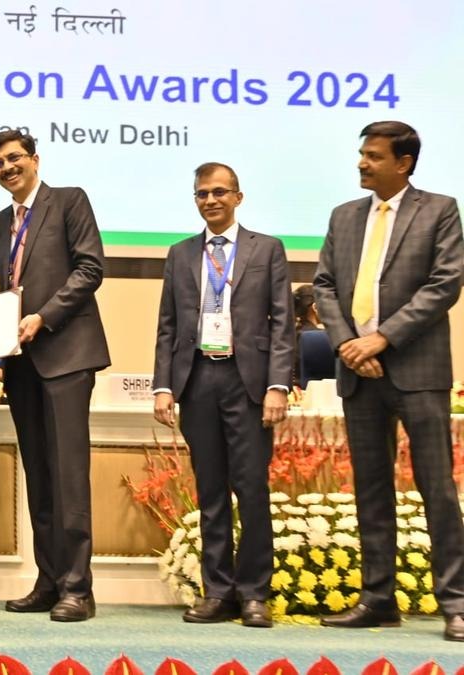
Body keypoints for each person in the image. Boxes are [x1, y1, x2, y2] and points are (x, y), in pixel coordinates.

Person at [312, 121, 464, 641]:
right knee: (370, 488)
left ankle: (456, 602)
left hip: (417, 371)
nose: (362, 163)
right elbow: (324, 286)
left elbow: (445, 284)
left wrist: (382, 339)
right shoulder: (344, 215)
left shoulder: (439, 210)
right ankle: (377, 599)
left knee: (436, 487)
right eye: (362, 154)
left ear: (403, 163)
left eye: (374, 156)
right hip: (359, 372)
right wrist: (347, 345)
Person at [152, 162, 293, 628]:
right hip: (197, 380)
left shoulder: (267, 249)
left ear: (237, 196)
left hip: (247, 382)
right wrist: (163, 385)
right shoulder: (180, 254)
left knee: (251, 490)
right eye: (202, 194)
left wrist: (277, 385)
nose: (210, 200)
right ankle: (218, 593)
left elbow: (283, 322)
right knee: (210, 492)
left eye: (218, 192)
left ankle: (254, 594)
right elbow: (168, 325)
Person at [0, 129, 110, 622]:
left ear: (35, 159)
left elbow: (90, 269)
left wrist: (44, 315)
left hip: (67, 357)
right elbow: (12, 287)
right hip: (22, 364)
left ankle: (78, 588)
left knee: (69, 477)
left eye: (14, 157)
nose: (7, 168)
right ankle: (50, 579)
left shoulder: (69, 201)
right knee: (39, 476)